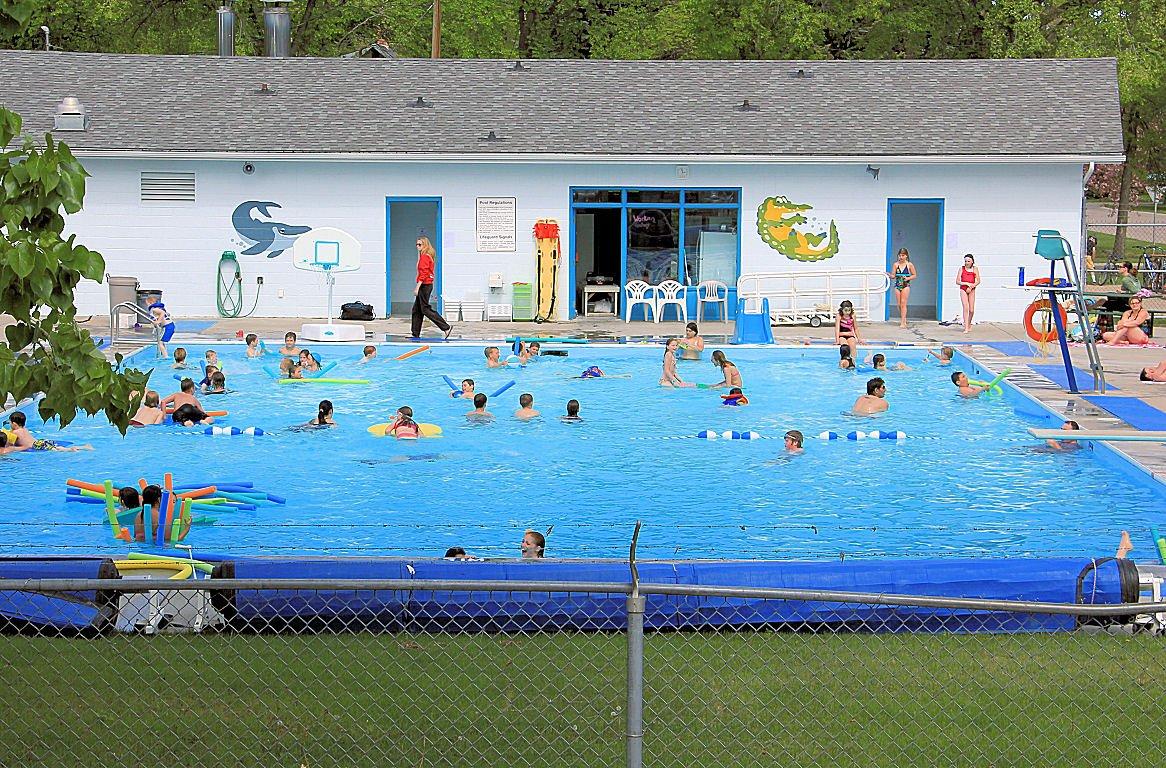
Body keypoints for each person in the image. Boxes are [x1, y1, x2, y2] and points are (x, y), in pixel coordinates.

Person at [411, 235, 452, 340]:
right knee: (416, 310)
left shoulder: (425, 257)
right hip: (426, 285)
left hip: (424, 285)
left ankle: (446, 327)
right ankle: (415, 333)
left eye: (420, 244)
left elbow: (424, 274)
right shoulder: (426, 256)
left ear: (425, 245)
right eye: (416, 244)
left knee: (425, 309)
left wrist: (417, 287)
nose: (417, 246)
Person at [6, 411, 93, 451]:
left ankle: (71, 449)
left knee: (57, 449)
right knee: (54, 447)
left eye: (10, 422)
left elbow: (10, 444)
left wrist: (13, 448)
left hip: (36, 446)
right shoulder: (24, 429)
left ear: (14, 424)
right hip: (40, 442)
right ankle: (84, 447)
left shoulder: (14, 433)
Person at [889, 248, 916, 328]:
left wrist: (908, 278)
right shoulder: (895, 265)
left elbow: (914, 275)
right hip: (897, 285)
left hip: (906, 285)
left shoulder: (909, 265)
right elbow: (893, 276)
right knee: (899, 304)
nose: (901, 257)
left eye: (903, 255)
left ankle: (903, 322)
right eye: (900, 255)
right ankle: (903, 318)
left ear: (906, 256)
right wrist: (889, 275)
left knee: (903, 302)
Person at [956, 254, 981, 333]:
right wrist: (966, 283)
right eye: (965, 261)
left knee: (971, 310)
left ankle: (969, 323)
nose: (967, 263)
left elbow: (978, 281)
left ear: (972, 261)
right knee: (966, 308)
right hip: (963, 289)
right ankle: (966, 327)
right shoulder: (961, 269)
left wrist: (971, 286)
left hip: (972, 289)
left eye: (968, 261)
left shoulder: (975, 269)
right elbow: (957, 281)